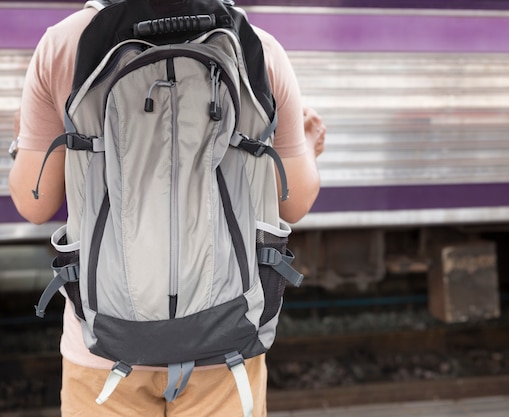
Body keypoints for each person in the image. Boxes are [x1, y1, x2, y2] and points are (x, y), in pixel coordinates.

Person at [9, 3, 325, 416]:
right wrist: (310, 149)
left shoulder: (64, 43)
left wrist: (21, 141)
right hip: (227, 344)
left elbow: (35, 203)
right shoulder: (258, 47)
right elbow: (295, 201)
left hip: (103, 348)